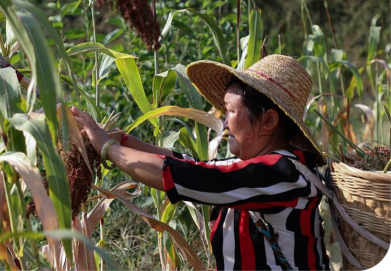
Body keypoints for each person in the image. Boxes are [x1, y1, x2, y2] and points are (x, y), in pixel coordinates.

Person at [70, 54, 330, 270]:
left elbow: (192, 177)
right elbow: (189, 164)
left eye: (230, 111)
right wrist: (122, 140)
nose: (225, 123)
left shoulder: (283, 174)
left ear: (269, 121)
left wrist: (108, 148)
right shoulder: (259, 170)